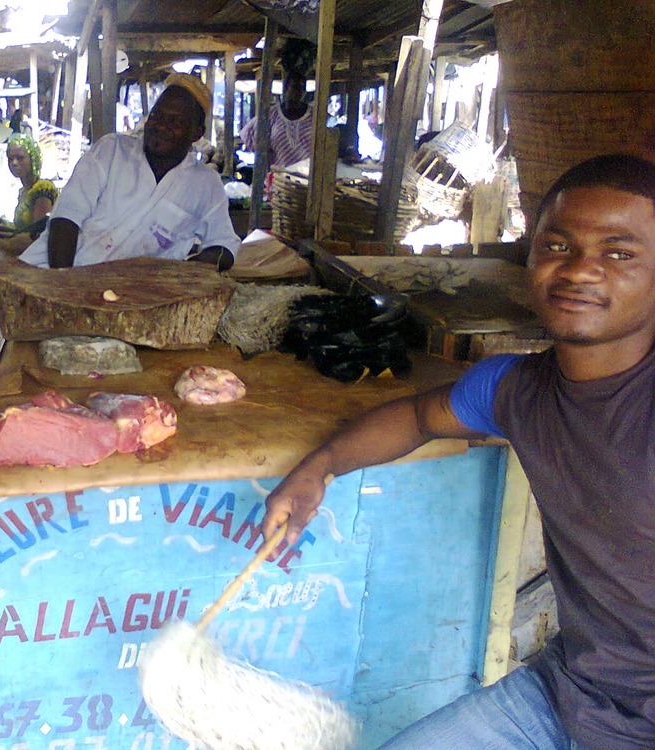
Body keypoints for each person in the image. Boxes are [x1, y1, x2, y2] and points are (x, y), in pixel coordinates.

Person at [262, 153, 655, 749]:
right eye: (557, 246)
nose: (580, 271)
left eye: (619, 253)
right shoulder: (517, 390)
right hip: (570, 694)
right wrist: (319, 468)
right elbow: (419, 416)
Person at [20, 73, 240, 270]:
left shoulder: (205, 184)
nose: (161, 126)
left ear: (197, 133)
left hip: (125, 297)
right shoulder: (111, 151)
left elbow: (224, 247)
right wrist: (63, 283)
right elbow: (66, 218)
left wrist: (177, 275)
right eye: (157, 116)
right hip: (47, 274)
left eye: (174, 121)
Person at [239, 37, 316, 170]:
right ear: (286, 89)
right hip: (278, 180)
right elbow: (248, 133)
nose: (299, 91)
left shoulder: (313, 115)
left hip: (306, 181)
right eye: (295, 87)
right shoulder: (272, 114)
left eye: (302, 88)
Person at [0, 133, 58, 255]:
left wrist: (11, 239)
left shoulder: (42, 190)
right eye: (10, 158)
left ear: (33, 158)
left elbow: (38, 235)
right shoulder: (24, 191)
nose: (14, 163)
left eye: (20, 158)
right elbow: (24, 228)